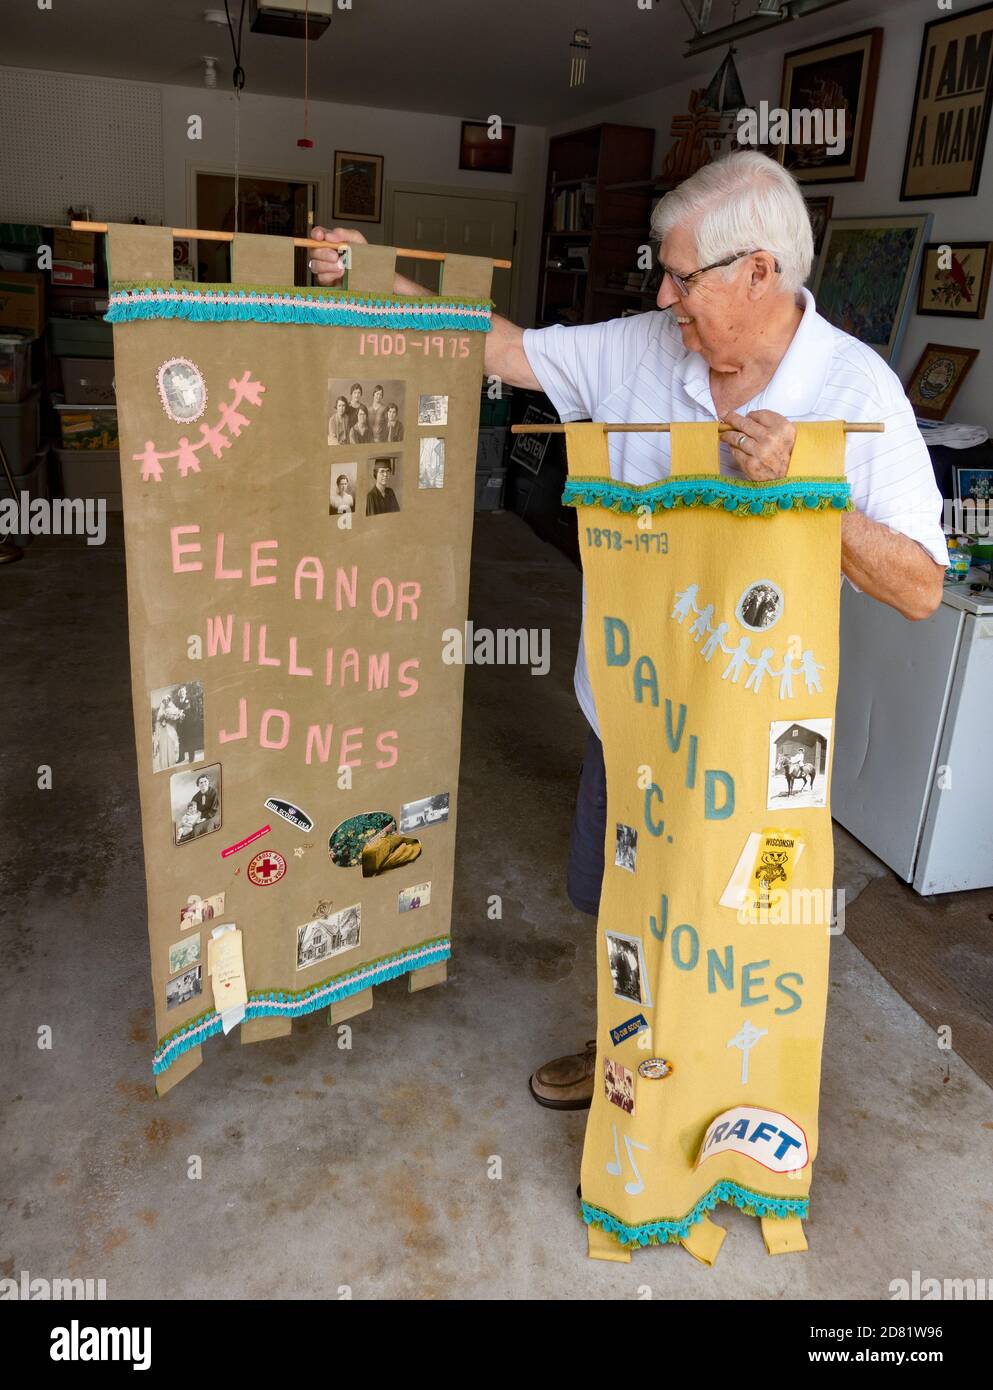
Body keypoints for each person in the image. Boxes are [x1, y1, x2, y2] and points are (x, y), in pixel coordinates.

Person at [309, 149, 947, 1113]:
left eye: (679, 273)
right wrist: (375, 275)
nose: (662, 293)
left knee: (731, 921)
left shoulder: (858, 394)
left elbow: (920, 588)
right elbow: (509, 352)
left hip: (760, 740)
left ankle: (715, 1096)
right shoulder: (647, 344)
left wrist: (811, 495)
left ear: (758, 273)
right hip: (632, 720)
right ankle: (622, 1054)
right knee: (617, 903)